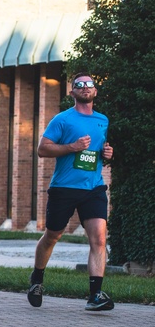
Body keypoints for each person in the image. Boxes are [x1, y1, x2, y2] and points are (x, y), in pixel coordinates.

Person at [28, 72, 115, 312]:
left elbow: (98, 152)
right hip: (64, 188)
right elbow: (42, 149)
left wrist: (107, 154)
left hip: (93, 187)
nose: (85, 88)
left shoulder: (102, 120)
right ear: (73, 92)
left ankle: (95, 295)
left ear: (95, 91)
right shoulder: (62, 120)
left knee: (98, 238)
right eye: (80, 85)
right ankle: (37, 279)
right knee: (53, 235)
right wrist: (71, 147)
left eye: (90, 85)